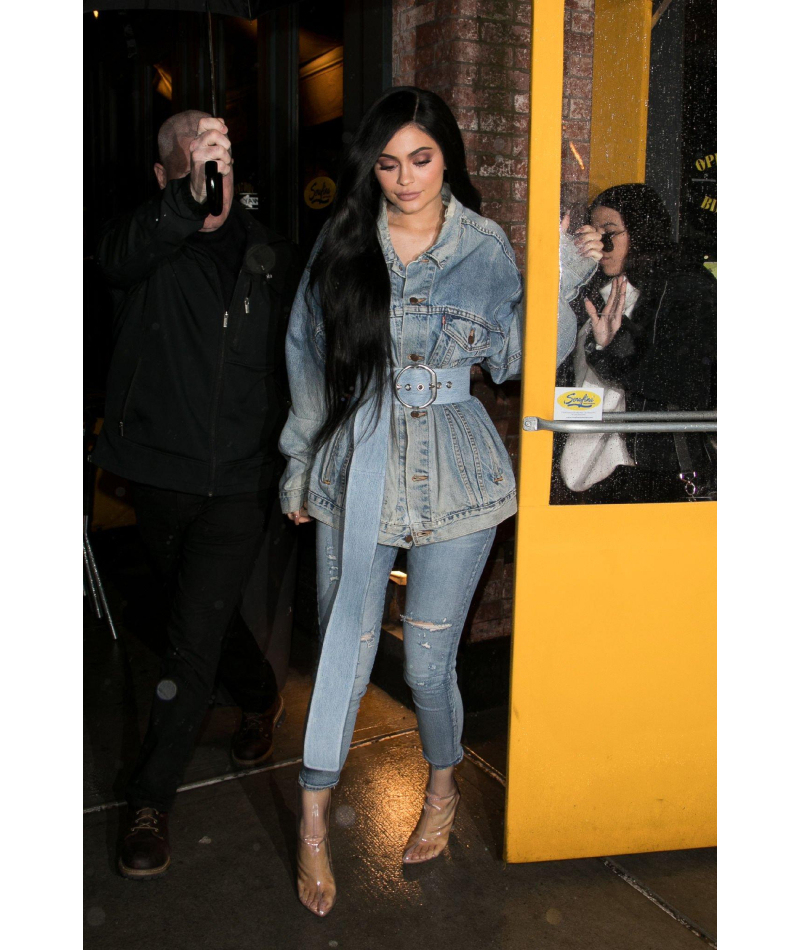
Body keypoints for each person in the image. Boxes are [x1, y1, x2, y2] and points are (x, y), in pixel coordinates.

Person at [278, 87, 599, 917]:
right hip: (358, 461)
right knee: (342, 651)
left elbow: (524, 358)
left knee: (425, 664)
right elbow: (308, 353)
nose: (404, 178)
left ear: (447, 156)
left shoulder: (484, 246)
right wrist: (300, 462)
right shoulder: (344, 237)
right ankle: (313, 822)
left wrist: (563, 279)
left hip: (457, 470)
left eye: (420, 158)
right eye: (387, 163)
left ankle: (444, 783)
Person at [91, 110, 299, 879]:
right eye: (192, 158)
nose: (212, 171)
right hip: (159, 474)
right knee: (197, 615)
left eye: (222, 156)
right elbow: (113, 257)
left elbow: (299, 361)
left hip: (241, 483)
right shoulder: (143, 244)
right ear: (163, 174)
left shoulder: (268, 251)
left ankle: (150, 800)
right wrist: (182, 204)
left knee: (190, 638)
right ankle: (259, 695)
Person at [558, 183, 716, 503]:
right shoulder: (588, 288)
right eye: (593, 233)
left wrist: (617, 347)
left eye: (610, 233)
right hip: (583, 468)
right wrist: (564, 274)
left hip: (653, 470)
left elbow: (690, 382)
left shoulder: (686, 287)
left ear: (642, 233)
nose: (601, 245)